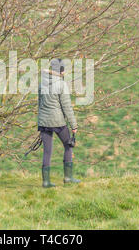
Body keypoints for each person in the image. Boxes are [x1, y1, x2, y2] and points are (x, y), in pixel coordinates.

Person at [38, 58, 80, 188]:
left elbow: (40, 104)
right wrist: (74, 125)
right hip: (58, 122)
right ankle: (68, 178)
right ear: (61, 71)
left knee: (47, 152)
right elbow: (67, 107)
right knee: (68, 146)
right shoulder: (62, 85)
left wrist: (41, 122)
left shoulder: (42, 84)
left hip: (44, 122)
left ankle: (46, 182)